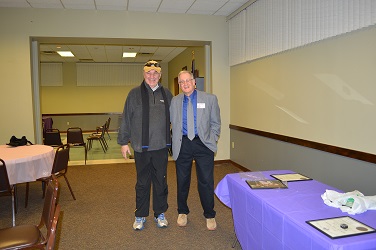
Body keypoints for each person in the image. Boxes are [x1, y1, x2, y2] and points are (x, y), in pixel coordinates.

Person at [118, 60, 173, 230]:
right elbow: (126, 118)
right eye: (149, 73)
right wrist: (123, 142)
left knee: (160, 181)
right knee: (142, 182)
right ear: (144, 74)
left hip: (161, 148)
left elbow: (176, 119)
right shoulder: (134, 94)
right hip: (141, 148)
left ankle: (160, 213)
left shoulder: (167, 94)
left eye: (155, 73)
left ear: (160, 75)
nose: (152, 76)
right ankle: (140, 215)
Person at [170, 70, 221, 231]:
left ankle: (209, 214)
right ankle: (182, 212)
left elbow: (216, 123)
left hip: (203, 144)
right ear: (179, 85)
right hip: (183, 144)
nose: (185, 84)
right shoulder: (175, 101)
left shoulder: (210, 99)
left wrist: (211, 139)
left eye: (188, 80)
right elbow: (172, 123)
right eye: (181, 82)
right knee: (182, 180)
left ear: (194, 82)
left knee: (206, 180)